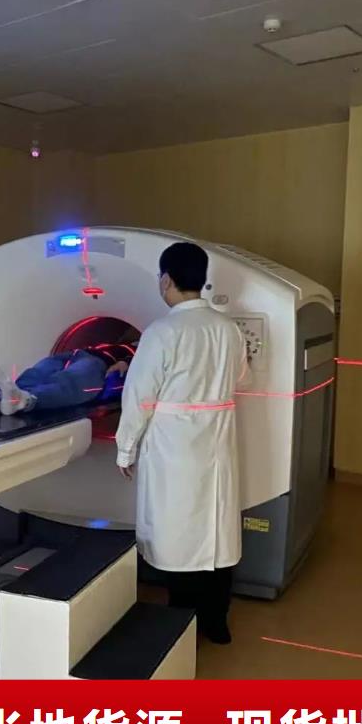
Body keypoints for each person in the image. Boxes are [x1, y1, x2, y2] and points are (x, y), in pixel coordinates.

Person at [115, 242, 249, 645]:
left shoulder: (162, 332)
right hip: (218, 437)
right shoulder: (228, 328)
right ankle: (216, 622)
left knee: (179, 532)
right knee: (216, 529)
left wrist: (126, 448)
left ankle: (181, 623)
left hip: (175, 443)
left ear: (166, 280)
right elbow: (241, 377)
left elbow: (139, 396)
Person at [0, 341, 136, 417]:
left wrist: (125, 362)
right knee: (37, 372)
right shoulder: (118, 342)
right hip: (76, 353)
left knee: (69, 381)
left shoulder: (139, 347)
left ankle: (25, 401)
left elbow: (145, 362)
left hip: (100, 362)